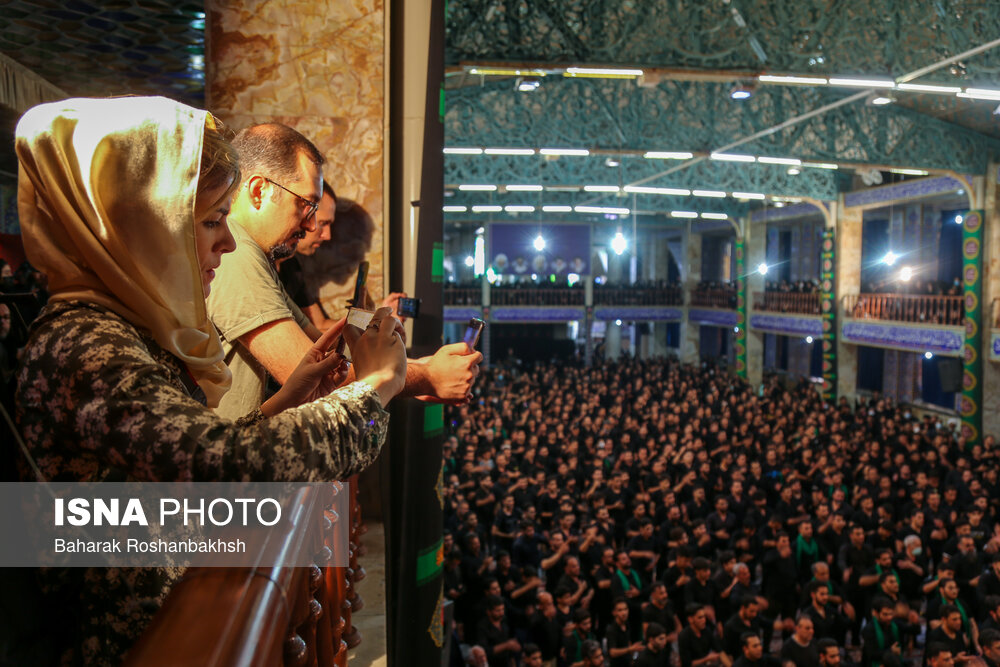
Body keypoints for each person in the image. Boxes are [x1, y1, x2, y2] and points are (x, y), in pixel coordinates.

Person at [13, 97, 407, 664]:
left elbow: (184, 464)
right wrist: (376, 389)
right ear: (140, 221)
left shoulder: (122, 325)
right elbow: (226, 466)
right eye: (208, 221)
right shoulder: (86, 345)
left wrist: (287, 398)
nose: (226, 242)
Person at [207, 122, 481, 419]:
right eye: (306, 205)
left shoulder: (257, 257)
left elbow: (322, 351)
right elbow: (306, 372)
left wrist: (423, 367)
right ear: (259, 191)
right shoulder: (236, 253)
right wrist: (425, 378)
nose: (312, 226)